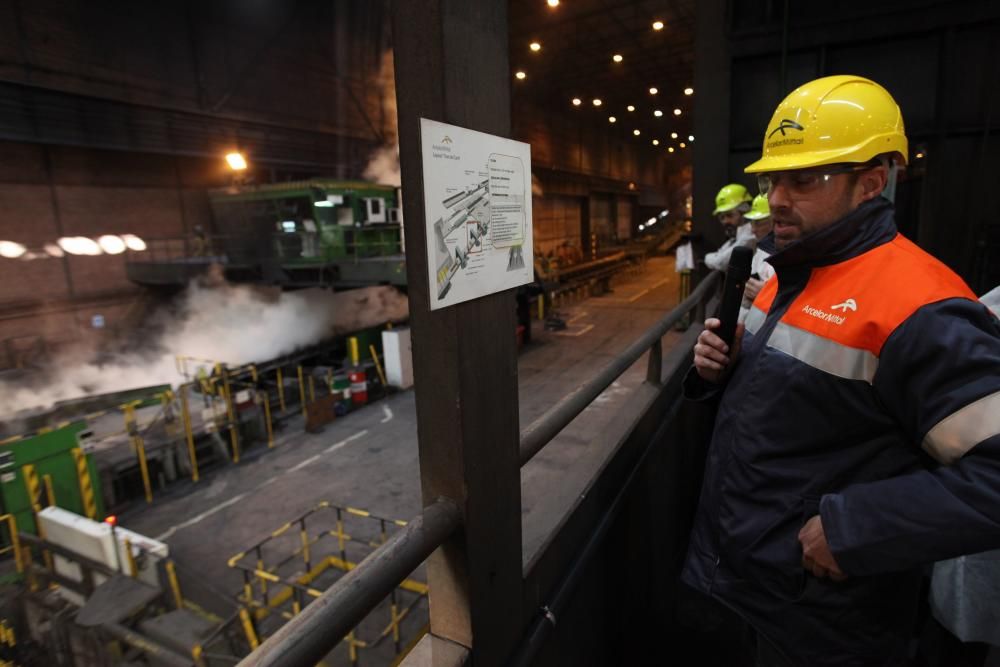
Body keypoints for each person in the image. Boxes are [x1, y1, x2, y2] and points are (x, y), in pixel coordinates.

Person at [683, 74, 1000, 666]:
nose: (776, 198)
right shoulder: (786, 273)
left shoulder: (921, 307)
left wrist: (859, 527)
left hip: (829, 621)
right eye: (774, 178)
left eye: (803, 180)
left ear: (870, 184)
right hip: (758, 587)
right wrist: (718, 373)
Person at [739, 194, 775, 321]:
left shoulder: (795, 256)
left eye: (759, 223)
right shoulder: (761, 250)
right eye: (752, 223)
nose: (753, 230)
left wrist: (767, 295)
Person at [705, 183, 755, 271]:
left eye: (729, 215)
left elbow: (720, 262)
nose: (725, 221)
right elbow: (720, 254)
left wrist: (707, 257)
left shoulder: (751, 235)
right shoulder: (737, 236)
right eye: (722, 217)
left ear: (745, 212)